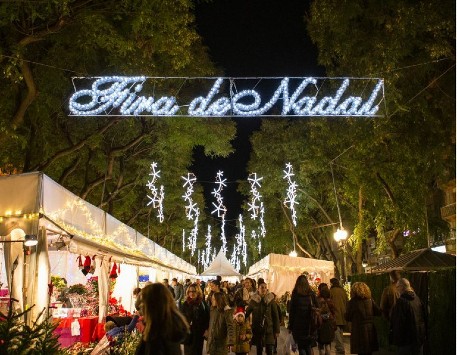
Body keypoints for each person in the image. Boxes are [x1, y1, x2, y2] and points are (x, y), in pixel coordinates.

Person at [135, 283, 189, 355]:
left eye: (144, 302)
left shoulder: (157, 336)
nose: (141, 306)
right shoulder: (170, 326)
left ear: (152, 305)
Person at [390, 278, 426, 355]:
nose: (396, 289)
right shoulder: (417, 299)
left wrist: (396, 338)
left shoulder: (401, 302)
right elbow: (424, 317)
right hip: (418, 337)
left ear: (402, 287)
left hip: (406, 339)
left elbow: (398, 322)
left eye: (397, 287)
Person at [345, 282, 381, 355]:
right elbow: (378, 312)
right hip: (370, 328)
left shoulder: (352, 302)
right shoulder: (370, 300)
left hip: (358, 330)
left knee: (361, 351)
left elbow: (348, 317)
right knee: (369, 351)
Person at [246, 280, 280, 355]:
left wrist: (277, 330)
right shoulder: (253, 300)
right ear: (258, 289)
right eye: (262, 287)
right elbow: (247, 312)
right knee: (259, 349)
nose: (264, 289)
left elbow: (275, 316)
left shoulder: (271, 300)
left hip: (269, 328)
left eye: (265, 287)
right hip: (258, 329)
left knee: (269, 349)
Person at [288, 274, 318, 355]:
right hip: (309, 325)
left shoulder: (295, 294)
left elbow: (292, 312)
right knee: (308, 346)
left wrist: (290, 326)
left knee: (300, 347)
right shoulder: (311, 294)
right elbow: (317, 307)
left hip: (298, 325)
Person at [180, 283, 210, 355]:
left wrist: (206, 329)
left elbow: (207, 317)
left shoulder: (202, 303)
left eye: (193, 291)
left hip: (199, 333)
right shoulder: (185, 303)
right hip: (189, 333)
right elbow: (181, 317)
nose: (191, 293)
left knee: (197, 351)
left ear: (198, 292)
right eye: (190, 291)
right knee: (188, 351)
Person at [329, 277, 348, 355]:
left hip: (335, 313)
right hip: (343, 313)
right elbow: (346, 301)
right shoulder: (343, 291)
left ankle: (340, 347)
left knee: (336, 331)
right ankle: (340, 346)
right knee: (340, 331)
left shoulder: (331, 291)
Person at [316, 286, 336, 355]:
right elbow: (334, 313)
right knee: (328, 343)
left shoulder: (318, 301)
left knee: (321, 344)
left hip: (320, 324)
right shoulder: (330, 302)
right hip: (329, 324)